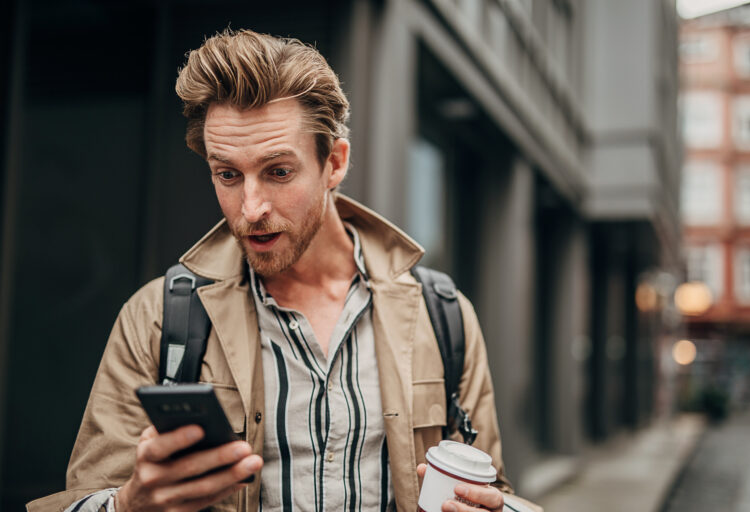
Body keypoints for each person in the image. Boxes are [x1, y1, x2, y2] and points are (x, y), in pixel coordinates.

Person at [27, 29, 541, 512]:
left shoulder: (442, 315)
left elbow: (491, 490)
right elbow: (87, 494)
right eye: (227, 174)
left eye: (278, 172)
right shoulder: (158, 317)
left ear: (334, 163)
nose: (250, 208)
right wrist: (129, 504)